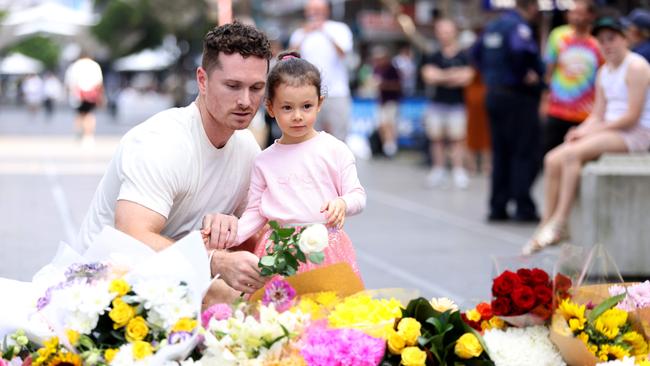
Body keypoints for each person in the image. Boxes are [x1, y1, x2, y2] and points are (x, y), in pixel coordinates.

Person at [77, 22, 273, 297]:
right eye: (232, 85)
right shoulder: (162, 141)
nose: (245, 100)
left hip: (174, 286)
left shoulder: (248, 149)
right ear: (202, 81)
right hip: (96, 287)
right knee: (224, 297)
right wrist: (213, 260)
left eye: (256, 88)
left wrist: (233, 228)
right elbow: (132, 235)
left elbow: (256, 235)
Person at [214, 51, 366, 280]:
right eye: (287, 108)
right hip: (279, 250)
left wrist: (342, 203)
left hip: (325, 247)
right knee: (282, 310)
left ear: (319, 104)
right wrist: (230, 237)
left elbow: (357, 195)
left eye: (306, 106)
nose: (297, 116)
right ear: (271, 108)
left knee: (327, 309)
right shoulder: (264, 161)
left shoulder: (334, 149)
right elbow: (256, 211)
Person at [523, 17, 650, 254]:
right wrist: (581, 130)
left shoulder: (637, 66)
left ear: (625, 39)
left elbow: (632, 116)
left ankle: (561, 221)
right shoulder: (604, 71)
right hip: (612, 128)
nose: (607, 45)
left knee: (572, 154)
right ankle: (545, 223)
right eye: (602, 41)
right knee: (552, 158)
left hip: (636, 133)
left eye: (611, 39)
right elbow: (597, 113)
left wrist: (593, 132)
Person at [472, 0, 544, 221]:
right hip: (518, 97)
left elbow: (475, 53)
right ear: (531, 7)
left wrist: (492, 76)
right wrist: (528, 74)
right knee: (523, 152)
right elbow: (521, 51)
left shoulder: (493, 26)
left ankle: (498, 206)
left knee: (500, 152)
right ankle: (523, 207)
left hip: (494, 94)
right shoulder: (519, 27)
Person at [542, 0, 603, 155]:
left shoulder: (598, 43)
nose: (576, 17)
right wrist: (544, 101)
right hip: (557, 110)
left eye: (581, 13)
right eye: (573, 12)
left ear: (591, 16)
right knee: (550, 156)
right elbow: (549, 71)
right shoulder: (558, 35)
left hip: (585, 114)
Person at [289, 0, 353, 141]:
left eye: (318, 9)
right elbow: (291, 58)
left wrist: (324, 31)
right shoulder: (300, 32)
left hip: (337, 92)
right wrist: (306, 33)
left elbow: (343, 53)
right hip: (308, 92)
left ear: (326, 11)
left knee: (339, 136)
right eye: (311, 9)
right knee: (309, 137)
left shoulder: (339, 29)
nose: (314, 13)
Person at [422, 18, 474, 189]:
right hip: (436, 103)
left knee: (457, 139)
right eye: (441, 32)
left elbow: (467, 78)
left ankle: (458, 170)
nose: (445, 35)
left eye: (448, 31)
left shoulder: (464, 55)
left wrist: (442, 76)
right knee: (436, 138)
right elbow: (429, 76)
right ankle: (438, 169)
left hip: (457, 104)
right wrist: (452, 75)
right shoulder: (432, 55)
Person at [64, 54, 104, 147]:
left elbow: (69, 82)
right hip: (91, 94)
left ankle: (79, 132)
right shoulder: (94, 65)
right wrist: (101, 96)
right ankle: (88, 135)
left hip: (77, 95)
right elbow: (99, 83)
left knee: (79, 114)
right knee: (89, 115)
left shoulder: (74, 66)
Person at [372, 45, 402, 158]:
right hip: (381, 101)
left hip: (391, 101)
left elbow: (398, 85)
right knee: (381, 124)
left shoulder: (392, 69)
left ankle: (390, 148)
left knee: (390, 124)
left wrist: (383, 85)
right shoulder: (376, 68)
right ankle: (386, 147)